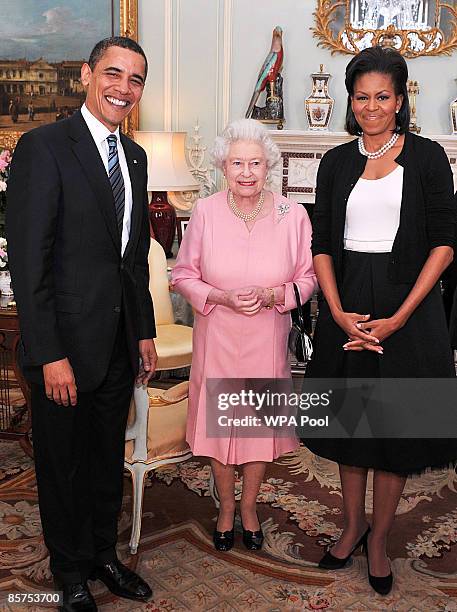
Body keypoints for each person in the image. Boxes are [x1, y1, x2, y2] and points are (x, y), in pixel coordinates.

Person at [7, 37, 157, 611]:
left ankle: (102, 556)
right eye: (113, 74)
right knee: (62, 465)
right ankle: (69, 571)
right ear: (88, 76)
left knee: (102, 464)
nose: (123, 87)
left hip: (117, 344)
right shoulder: (44, 148)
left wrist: (142, 329)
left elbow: (133, 255)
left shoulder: (135, 157)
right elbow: (29, 260)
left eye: (136, 79)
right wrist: (49, 353)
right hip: (64, 349)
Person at [305, 46, 457, 596]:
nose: (371, 107)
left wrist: (399, 318)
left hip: (407, 311)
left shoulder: (429, 157)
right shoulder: (336, 161)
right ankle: (350, 528)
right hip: (348, 307)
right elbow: (321, 241)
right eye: (362, 97)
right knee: (351, 427)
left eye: (383, 97)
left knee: (392, 431)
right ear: (351, 100)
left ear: (400, 100)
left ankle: (379, 540)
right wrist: (337, 312)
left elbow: (445, 241)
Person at [172, 118, 316, 553]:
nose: (247, 171)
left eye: (255, 162)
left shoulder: (294, 215)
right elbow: (182, 275)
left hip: (267, 336)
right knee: (220, 426)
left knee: (256, 428)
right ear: (223, 167)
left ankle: (249, 507)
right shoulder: (205, 211)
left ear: (268, 165)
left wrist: (276, 294)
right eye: (237, 163)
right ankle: (226, 509)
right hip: (217, 333)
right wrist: (221, 296)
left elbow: (308, 279)